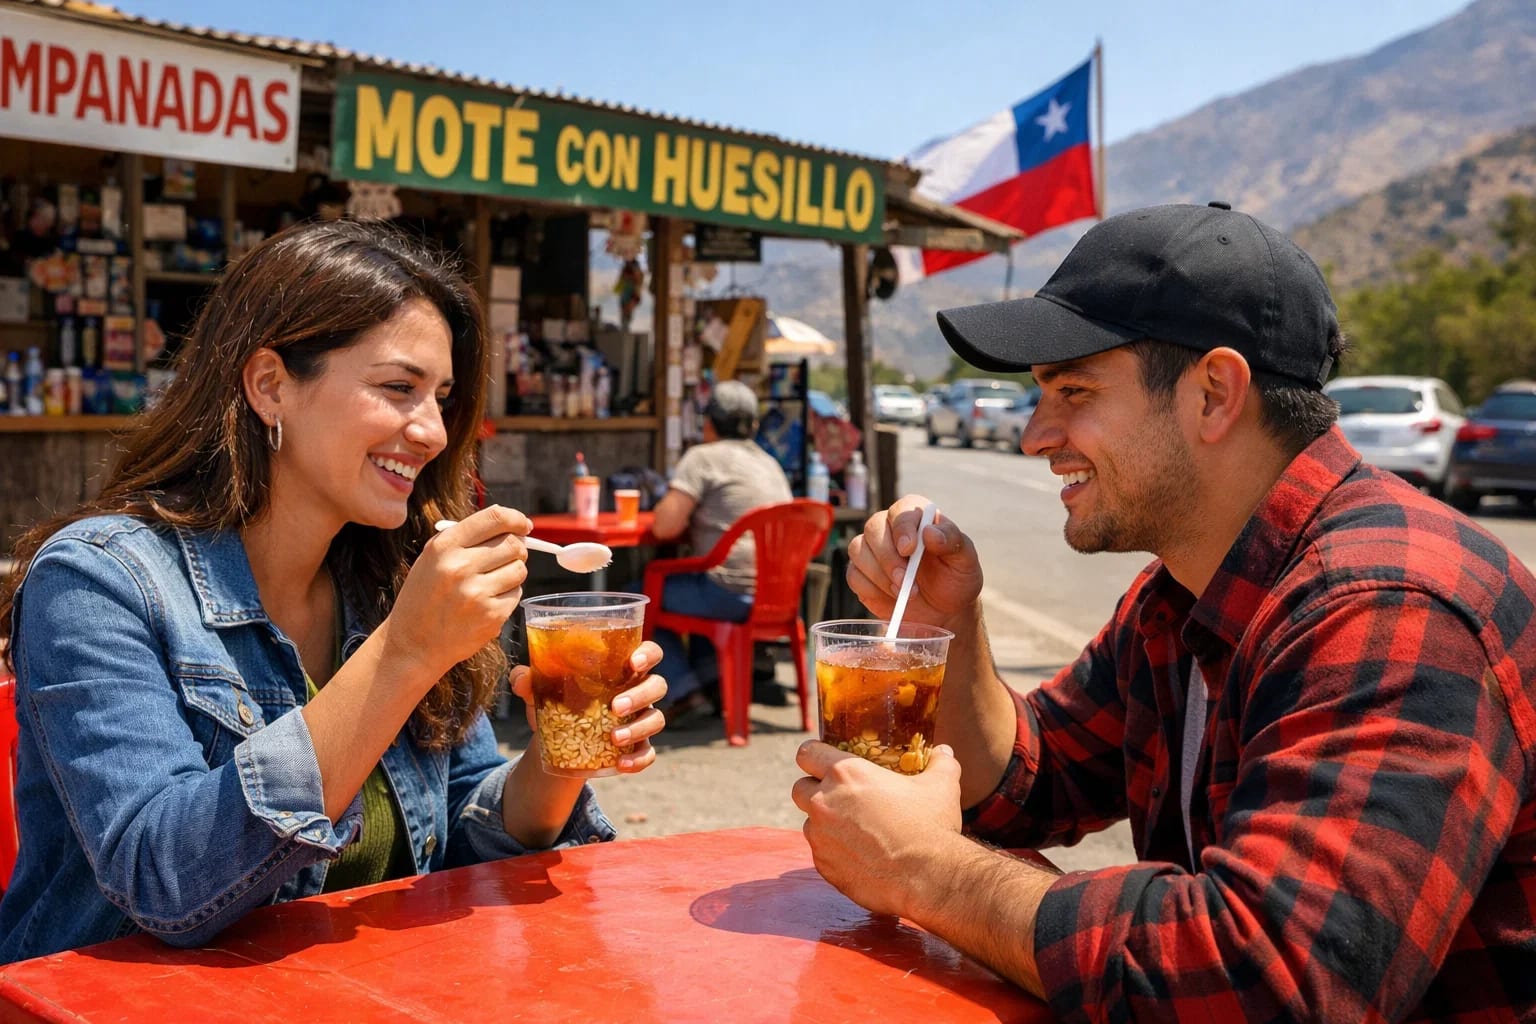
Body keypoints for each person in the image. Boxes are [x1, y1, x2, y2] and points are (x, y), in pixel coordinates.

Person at [793, 202, 1536, 1020]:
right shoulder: (1184, 593)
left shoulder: (1391, 606)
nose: (1036, 435)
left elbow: (1273, 982)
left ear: (1215, 393)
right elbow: (1028, 781)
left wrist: (926, 870)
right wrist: (950, 628)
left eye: (1074, 390)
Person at [0, 220, 669, 963]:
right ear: (270, 386)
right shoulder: (98, 581)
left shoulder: (385, 577)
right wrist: (406, 652)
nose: (433, 432)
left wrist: (555, 763)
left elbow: (461, 829)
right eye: (397, 388)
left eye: (441, 397)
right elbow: (163, 879)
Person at [647, 379, 793, 722]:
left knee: (640, 595)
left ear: (708, 424)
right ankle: (713, 682)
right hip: (775, 594)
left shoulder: (702, 457)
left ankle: (683, 692)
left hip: (726, 592)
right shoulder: (769, 463)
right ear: (754, 426)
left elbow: (663, 527)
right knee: (694, 582)